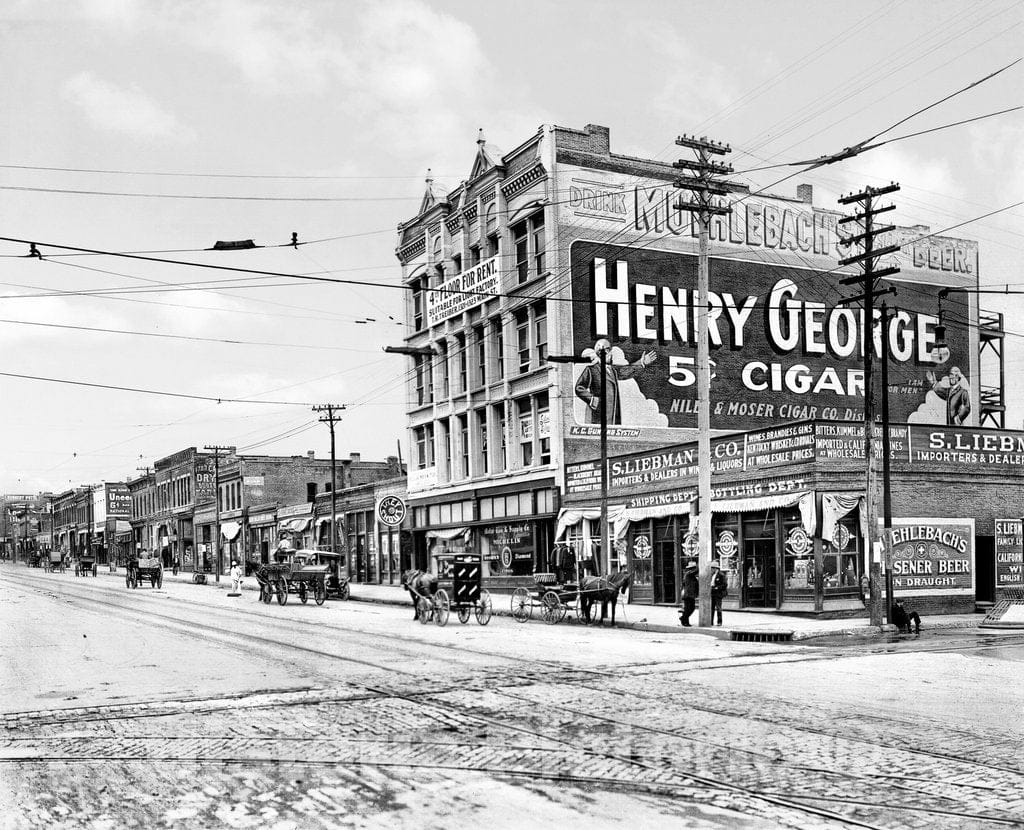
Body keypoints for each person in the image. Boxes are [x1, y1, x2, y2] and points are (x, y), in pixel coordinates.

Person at [574, 339, 657, 425]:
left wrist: (641, 362)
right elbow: (579, 388)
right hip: (599, 415)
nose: (611, 355)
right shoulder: (591, 370)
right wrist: (592, 400)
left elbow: (626, 371)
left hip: (613, 416)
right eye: (609, 352)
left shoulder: (612, 370)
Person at [679, 558, 698, 626]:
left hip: (690, 594)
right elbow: (696, 571)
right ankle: (683, 619)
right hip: (688, 594)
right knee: (690, 608)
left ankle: (685, 621)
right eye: (694, 568)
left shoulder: (689, 575)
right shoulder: (689, 574)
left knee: (689, 608)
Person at [709, 560, 728, 626]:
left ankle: (719, 622)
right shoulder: (712, 575)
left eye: (712, 568)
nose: (711, 569)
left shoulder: (721, 575)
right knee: (711, 607)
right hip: (712, 592)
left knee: (718, 607)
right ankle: (711, 621)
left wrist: (717, 587)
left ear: (716, 568)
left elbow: (725, 584)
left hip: (718, 593)